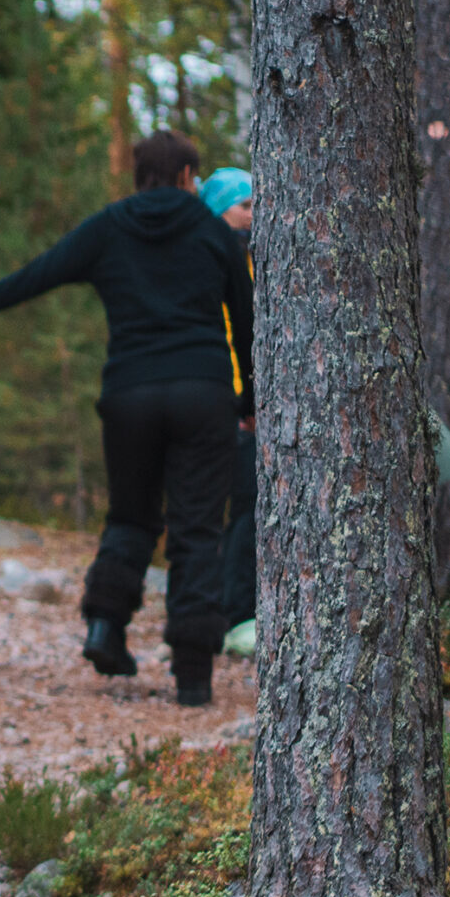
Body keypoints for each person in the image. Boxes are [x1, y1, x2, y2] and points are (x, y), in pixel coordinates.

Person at [0, 131, 252, 706]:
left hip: (129, 395)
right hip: (202, 393)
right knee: (197, 530)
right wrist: (250, 401)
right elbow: (246, 319)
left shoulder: (110, 227)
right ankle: (193, 676)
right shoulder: (213, 233)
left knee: (131, 515)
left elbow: (31, 277)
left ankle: (105, 628)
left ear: (138, 174)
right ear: (189, 177)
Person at [200, 167, 258, 658]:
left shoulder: (251, 255)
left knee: (241, 510)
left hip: (237, 405)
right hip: (231, 408)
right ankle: (236, 617)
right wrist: (246, 404)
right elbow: (232, 336)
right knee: (243, 510)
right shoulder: (218, 256)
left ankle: (223, 614)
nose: (254, 214)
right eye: (245, 206)